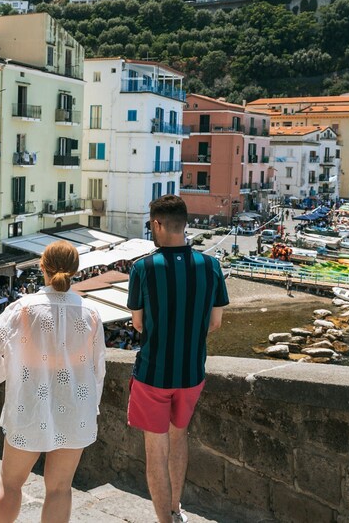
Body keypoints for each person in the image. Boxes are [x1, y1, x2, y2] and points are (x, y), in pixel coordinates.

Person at [0, 241, 106, 523]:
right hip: (75, 410)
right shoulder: (91, 313)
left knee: (10, 486)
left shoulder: (23, 308)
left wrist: (8, 377)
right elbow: (98, 370)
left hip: (29, 407)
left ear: (42, 267)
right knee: (60, 489)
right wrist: (90, 408)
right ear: (75, 270)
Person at [127, 196, 228, 523]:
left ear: (157, 224)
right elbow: (215, 323)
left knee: (155, 452)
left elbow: (138, 323)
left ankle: (165, 520)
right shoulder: (211, 266)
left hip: (153, 375)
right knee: (179, 436)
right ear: (184, 225)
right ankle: (176, 509)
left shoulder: (142, 268)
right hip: (191, 374)